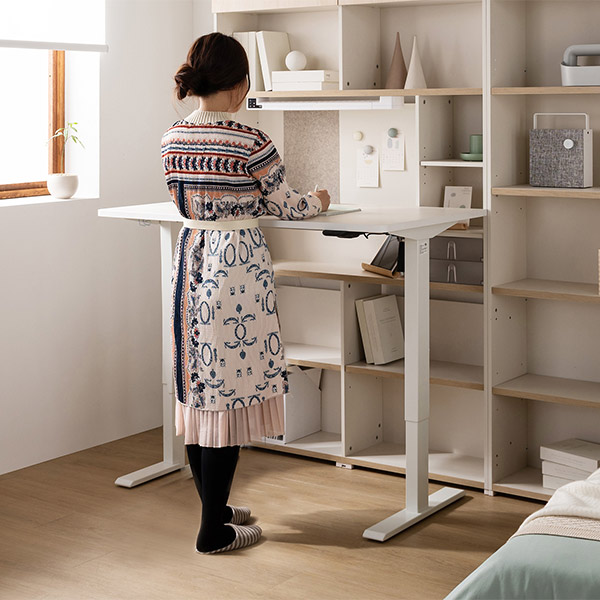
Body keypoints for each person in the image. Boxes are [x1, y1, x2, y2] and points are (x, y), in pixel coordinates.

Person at [161, 32, 330, 555]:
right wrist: (320, 199)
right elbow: (288, 205)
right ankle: (213, 532)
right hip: (235, 270)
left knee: (199, 391)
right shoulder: (251, 141)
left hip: (190, 262)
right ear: (238, 85)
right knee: (230, 396)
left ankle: (213, 508)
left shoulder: (171, 139)